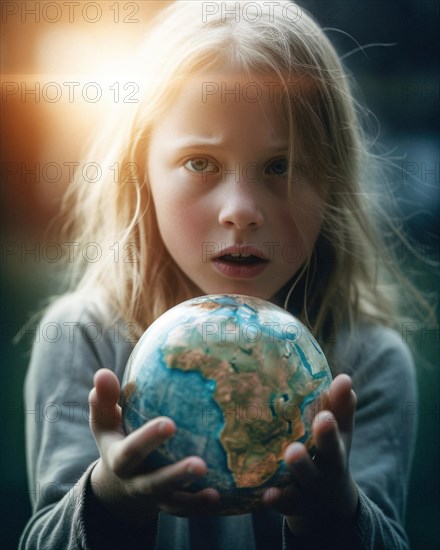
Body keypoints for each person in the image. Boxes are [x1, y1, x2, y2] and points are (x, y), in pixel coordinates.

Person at [20, 1, 427, 548]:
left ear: (331, 181)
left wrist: (333, 516)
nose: (241, 209)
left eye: (280, 166)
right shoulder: (83, 338)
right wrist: (113, 497)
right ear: (141, 172)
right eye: (200, 162)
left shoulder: (368, 362)